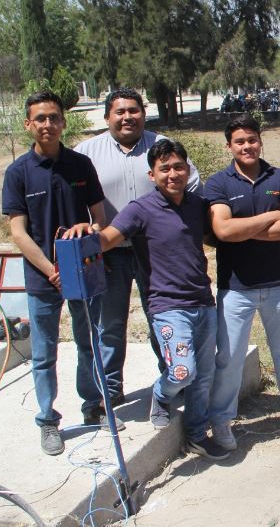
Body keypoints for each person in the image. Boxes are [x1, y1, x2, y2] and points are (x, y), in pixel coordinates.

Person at [68, 139, 227, 461]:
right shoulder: (140, 209)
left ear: (188, 169)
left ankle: (196, 435)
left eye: (178, 167)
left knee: (204, 377)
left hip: (202, 302)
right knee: (182, 371)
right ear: (152, 175)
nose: (173, 174)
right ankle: (160, 393)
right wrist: (87, 232)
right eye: (164, 169)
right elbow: (108, 239)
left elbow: (217, 235)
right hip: (167, 307)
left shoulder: (198, 206)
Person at [75, 88, 202, 411]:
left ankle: (173, 379)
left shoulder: (162, 148)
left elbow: (193, 184)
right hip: (109, 252)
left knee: (160, 317)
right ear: (107, 117)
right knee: (110, 325)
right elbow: (77, 202)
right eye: (120, 112)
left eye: (134, 110)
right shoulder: (86, 153)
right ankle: (109, 391)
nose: (127, 117)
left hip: (156, 252)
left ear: (143, 113)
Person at [206, 116, 280, 449]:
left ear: (261, 141)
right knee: (229, 357)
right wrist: (273, 216)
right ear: (229, 146)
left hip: (279, 285)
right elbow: (223, 232)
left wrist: (245, 229)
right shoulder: (218, 184)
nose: (247, 146)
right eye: (240, 141)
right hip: (235, 288)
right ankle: (222, 421)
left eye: (252, 140)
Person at [1, 91, 107, 455]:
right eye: (40, 119)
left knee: (88, 343)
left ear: (63, 122)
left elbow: (100, 220)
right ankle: (48, 421)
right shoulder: (18, 173)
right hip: (43, 279)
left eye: (54, 118)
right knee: (44, 354)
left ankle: (93, 406)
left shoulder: (80, 165)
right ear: (29, 124)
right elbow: (18, 232)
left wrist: (86, 229)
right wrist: (51, 271)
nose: (48, 124)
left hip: (82, 273)